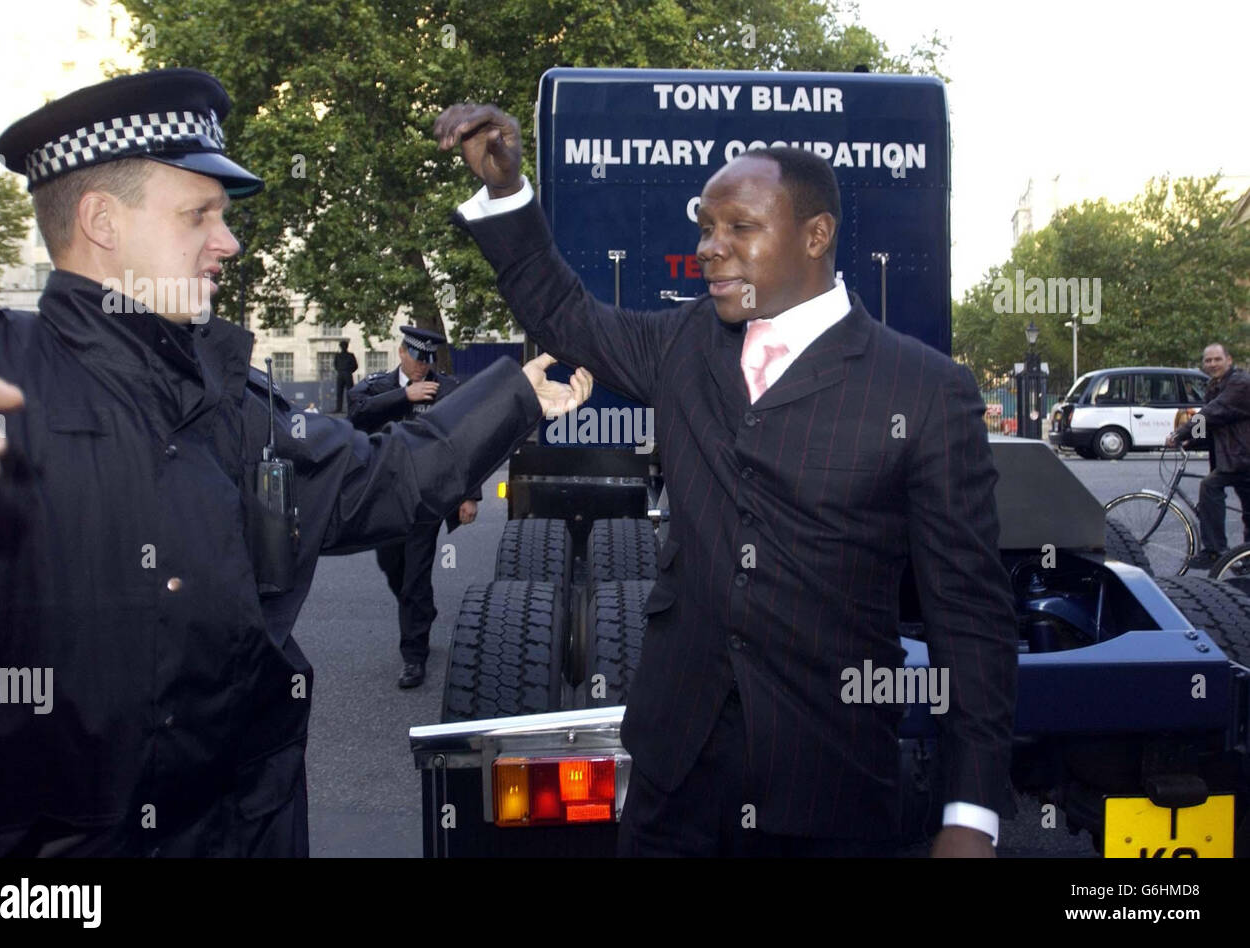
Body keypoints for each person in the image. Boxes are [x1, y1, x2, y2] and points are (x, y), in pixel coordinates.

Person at [0, 70, 592, 857]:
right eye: (199, 215)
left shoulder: (230, 402)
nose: (228, 242)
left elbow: (384, 482)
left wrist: (517, 397)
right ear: (101, 221)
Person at [435, 104, 1018, 857]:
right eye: (705, 228)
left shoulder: (924, 390)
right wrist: (511, 189)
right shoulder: (682, 344)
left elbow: (969, 616)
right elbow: (561, 310)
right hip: (673, 784)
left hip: (827, 793)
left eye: (739, 228)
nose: (711, 249)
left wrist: (970, 815)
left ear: (816, 236)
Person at [346, 326, 479, 688]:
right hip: (385, 496)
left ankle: (413, 657)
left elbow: (466, 443)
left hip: (427, 497)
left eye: (429, 359)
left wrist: (470, 494)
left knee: (416, 575)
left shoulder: (448, 389)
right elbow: (355, 415)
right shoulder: (377, 386)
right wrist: (404, 396)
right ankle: (420, 611)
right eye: (418, 358)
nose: (424, 366)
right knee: (392, 567)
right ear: (402, 352)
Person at [1167, 343, 1250, 567]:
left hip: (1242, 458)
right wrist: (1189, 440)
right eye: (1208, 361)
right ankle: (1244, 562)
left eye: (1217, 359)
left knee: (1210, 487)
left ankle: (1215, 551)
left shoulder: (1240, 384)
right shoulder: (1216, 385)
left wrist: (1179, 433)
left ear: (1229, 360)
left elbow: (1214, 412)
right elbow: (1209, 426)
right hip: (1236, 458)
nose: (1212, 364)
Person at [332, 339, 358, 413]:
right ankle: (342, 408)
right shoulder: (339, 355)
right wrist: (348, 371)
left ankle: (343, 408)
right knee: (342, 392)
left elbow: (355, 366)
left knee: (346, 392)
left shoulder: (349, 355)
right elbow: (335, 365)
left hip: (344, 374)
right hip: (344, 374)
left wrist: (347, 371)